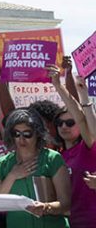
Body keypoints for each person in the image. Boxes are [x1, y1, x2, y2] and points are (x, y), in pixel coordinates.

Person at [0, 109, 71, 227]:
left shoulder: (52, 159)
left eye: (27, 134)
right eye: (16, 134)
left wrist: (46, 207)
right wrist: (12, 176)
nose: (21, 139)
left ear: (38, 133)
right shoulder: (3, 164)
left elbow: (66, 202)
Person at [48, 61, 96, 228]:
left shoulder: (88, 147)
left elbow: (81, 118)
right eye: (59, 123)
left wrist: (59, 86)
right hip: (70, 223)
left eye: (70, 122)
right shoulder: (57, 157)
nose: (63, 126)